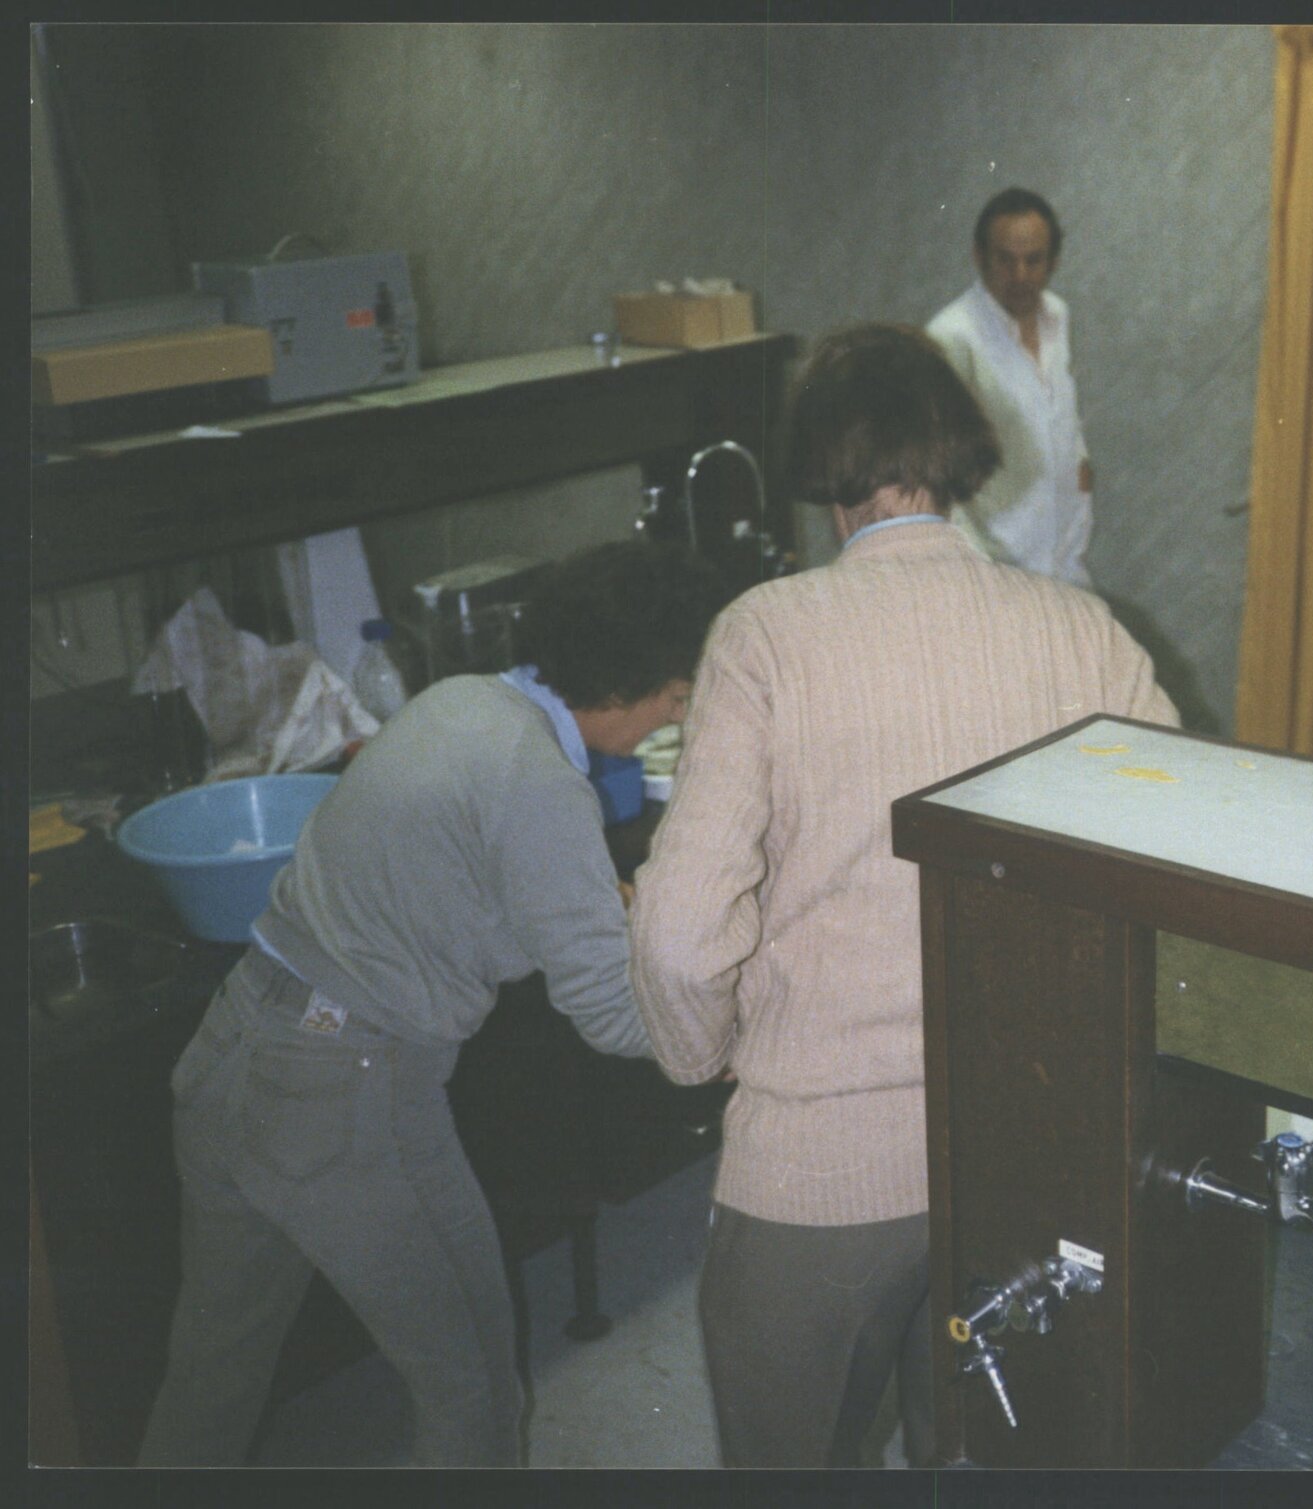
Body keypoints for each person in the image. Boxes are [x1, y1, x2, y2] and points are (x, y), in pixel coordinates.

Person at [629, 323, 1177, 1469]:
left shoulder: (766, 636)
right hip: (1025, 1156)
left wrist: (704, 1053)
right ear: (959, 458)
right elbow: (1171, 878)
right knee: (976, 1457)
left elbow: (680, 939)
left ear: (827, 479)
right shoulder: (1081, 631)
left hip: (819, 1175)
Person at [138, 539, 725, 1468]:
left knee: (211, 1375)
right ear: (628, 690)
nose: (679, 710)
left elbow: (454, 889)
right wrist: (741, 1023)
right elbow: (615, 1020)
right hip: (347, 1097)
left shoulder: (457, 701)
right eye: (677, 695)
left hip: (232, 1053)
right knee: (475, 1394)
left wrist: (587, 910)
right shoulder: (542, 783)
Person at [927, 186, 1098, 588]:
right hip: (999, 572)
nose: (1020, 276)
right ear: (979, 257)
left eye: (1033, 260)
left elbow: (1055, 409)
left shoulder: (1057, 315)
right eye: (1005, 260)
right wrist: (978, 570)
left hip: (1066, 562)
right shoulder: (951, 337)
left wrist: (1080, 460)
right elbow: (936, 471)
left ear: (1053, 261)